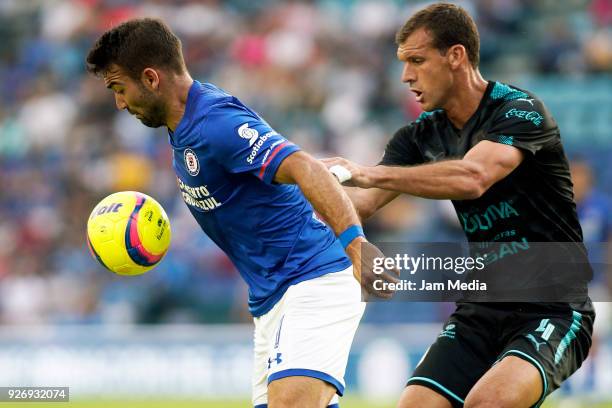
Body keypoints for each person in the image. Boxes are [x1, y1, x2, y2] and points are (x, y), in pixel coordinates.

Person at [85, 18, 397, 408]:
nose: (118, 103)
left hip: (315, 279)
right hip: (272, 301)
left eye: (119, 88)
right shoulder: (182, 126)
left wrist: (357, 247)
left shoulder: (214, 123)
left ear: (150, 78)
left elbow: (304, 166)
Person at [323, 3, 594, 408]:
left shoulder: (519, 111)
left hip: (553, 308)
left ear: (456, 56)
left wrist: (366, 172)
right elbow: (359, 206)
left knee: (488, 403)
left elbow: (473, 178)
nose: (405, 76)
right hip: (480, 309)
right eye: (402, 63)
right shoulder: (418, 137)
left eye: (416, 60)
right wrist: (307, 189)